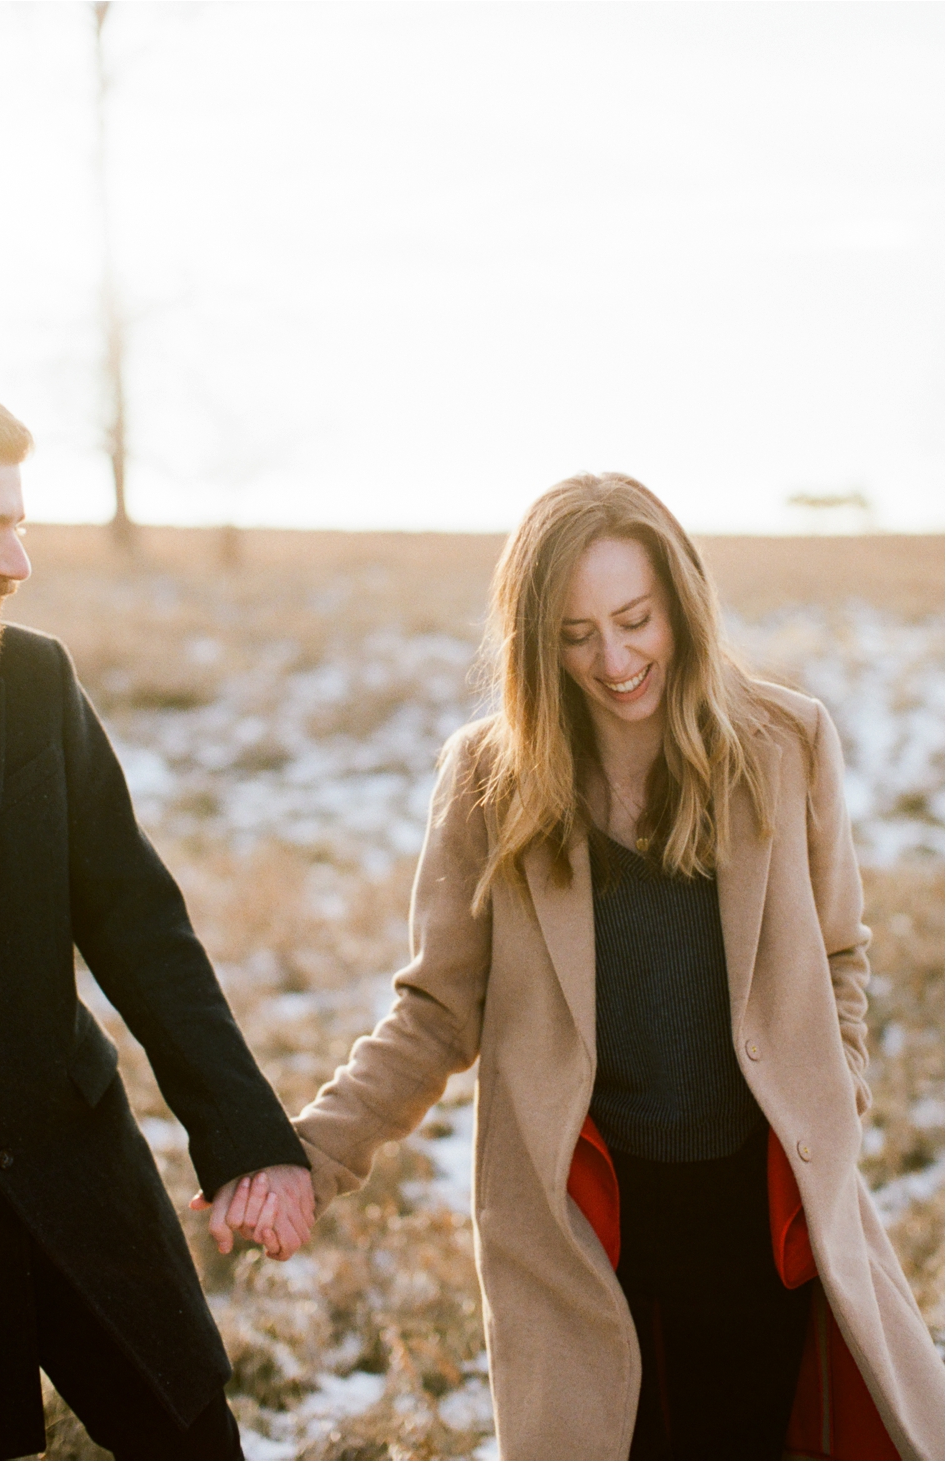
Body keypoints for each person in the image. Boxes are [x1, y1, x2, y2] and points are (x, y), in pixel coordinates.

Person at [251, 474, 942, 1459]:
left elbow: (840, 950)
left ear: (681, 606)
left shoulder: (787, 743)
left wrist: (839, 1089)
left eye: (634, 620)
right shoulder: (490, 783)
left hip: (762, 1221)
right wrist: (313, 1157)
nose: (614, 659)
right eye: (576, 634)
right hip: (587, 1235)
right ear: (536, 641)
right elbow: (436, 1010)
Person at [0, 391, 315, 1462]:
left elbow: (140, 928)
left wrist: (249, 1140)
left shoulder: (33, 687)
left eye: (18, 524)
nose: (16, 564)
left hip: (75, 1181)